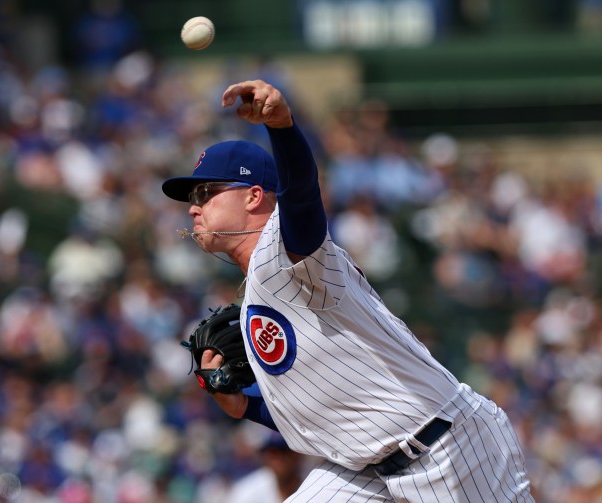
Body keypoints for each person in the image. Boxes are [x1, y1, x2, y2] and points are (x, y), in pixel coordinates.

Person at [162, 79, 534, 502]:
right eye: (193, 196)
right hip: (362, 469)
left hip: (449, 451)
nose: (194, 205)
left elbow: (301, 197)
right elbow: (323, 417)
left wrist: (282, 128)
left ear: (253, 197)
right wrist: (244, 405)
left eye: (207, 192)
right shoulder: (258, 297)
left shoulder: (286, 249)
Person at [226, 431, 305, 503]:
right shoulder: (247, 492)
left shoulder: (313, 483)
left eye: (285, 450)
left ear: (298, 454)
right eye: (273, 452)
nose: (279, 458)